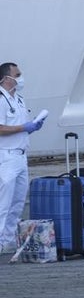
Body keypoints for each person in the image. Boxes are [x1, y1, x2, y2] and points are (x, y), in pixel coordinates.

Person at [0, 62, 44, 253]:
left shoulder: (18, 98)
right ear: (6, 78)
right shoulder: (1, 99)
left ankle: (6, 241)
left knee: (17, 202)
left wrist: (31, 127)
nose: (20, 77)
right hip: (6, 155)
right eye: (17, 75)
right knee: (3, 202)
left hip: (21, 155)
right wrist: (23, 128)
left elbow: (19, 126)